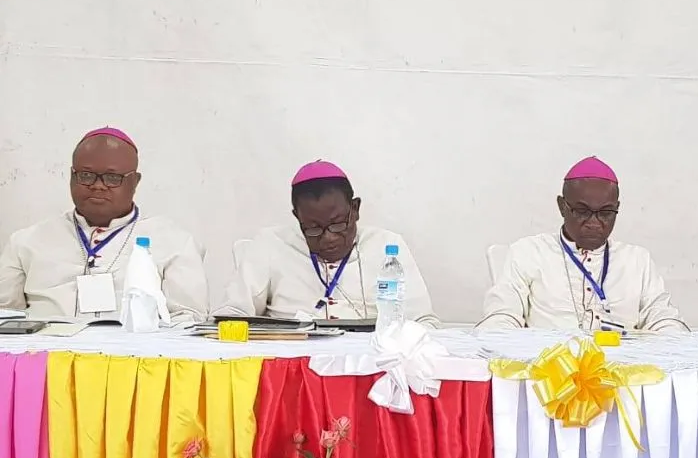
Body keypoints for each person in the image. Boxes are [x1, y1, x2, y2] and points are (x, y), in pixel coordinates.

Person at [0, 127, 209, 322]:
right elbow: (6, 317)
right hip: (45, 357)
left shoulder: (175, 242)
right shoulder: (26, 242)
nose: (98, 186)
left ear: (135, 182)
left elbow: (188, 320)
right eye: (86, 175)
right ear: (72, 177)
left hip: (135, 358)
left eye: (112, 177)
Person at [216, 160, 439, 326]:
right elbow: (232, 313)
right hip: (292, 367)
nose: (328, 238)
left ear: (355, 209)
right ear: (297, 218)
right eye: (313, 229)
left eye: (337, 224)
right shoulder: (270, 244)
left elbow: (422, 321)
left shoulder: (387, 246)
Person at [479, 156, 688, 332]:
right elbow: (502, 315)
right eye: (582, 211)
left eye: (606, 213)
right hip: (548, 372)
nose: (594, 223)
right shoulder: (528, 253)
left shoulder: (636, 260)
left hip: (622, 373)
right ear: (562, 206)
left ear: (617, 208)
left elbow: (661, 315)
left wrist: (671, 336)